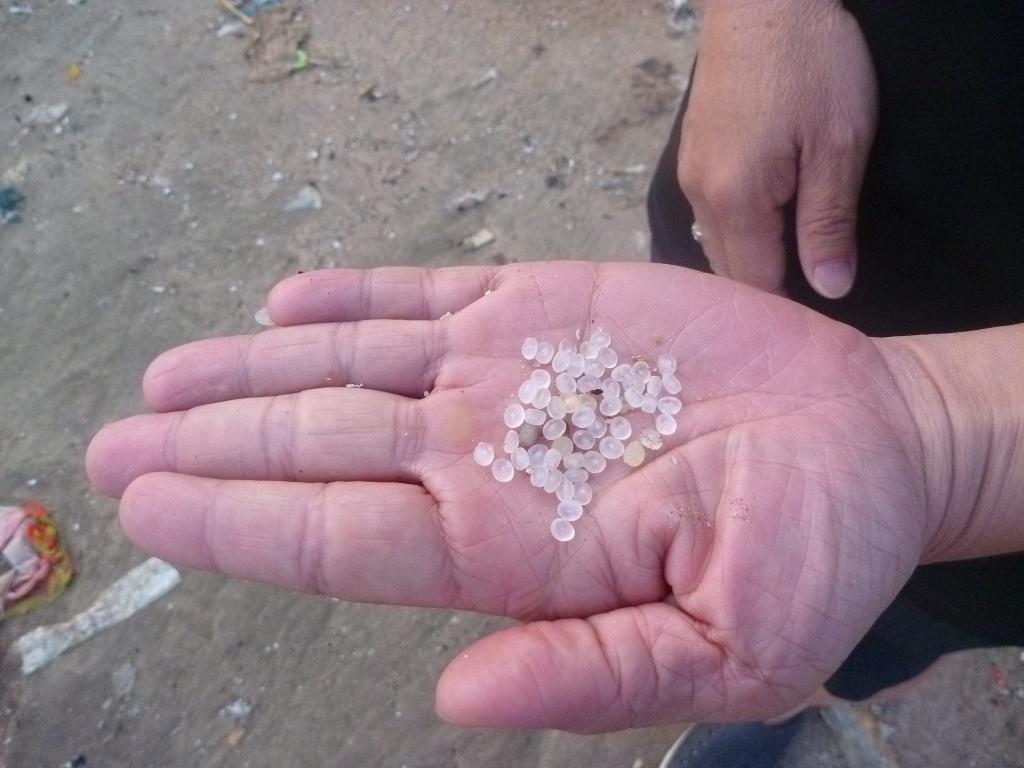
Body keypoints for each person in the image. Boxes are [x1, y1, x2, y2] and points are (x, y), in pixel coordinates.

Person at [85, 0, 1024, 760]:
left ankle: (841, 684)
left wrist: (937, 436)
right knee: (773, 507)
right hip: (852, 144)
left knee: (907, 619)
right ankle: (814, 692)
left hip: (991, 498)